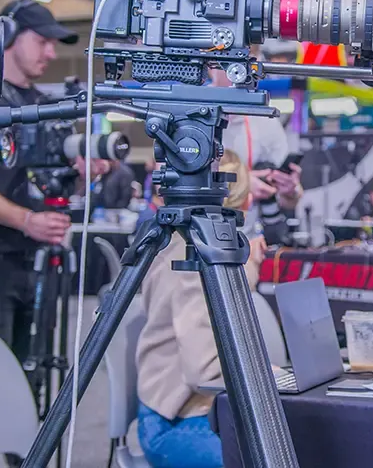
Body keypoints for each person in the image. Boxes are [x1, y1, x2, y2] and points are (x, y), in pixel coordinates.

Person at [0, 0, 81, 362]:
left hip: (40, 260)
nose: (51, 53)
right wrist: (26, 221)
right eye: (42, 41)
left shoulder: (47, 105)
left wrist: (81, 168)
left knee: (35, 370)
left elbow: (55, 175)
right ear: (9, 36)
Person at [135, 150, 264, 468]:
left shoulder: (183, 244)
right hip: (178, 421)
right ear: (244, 204)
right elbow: (203, 371)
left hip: (198, 410)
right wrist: (267, 376)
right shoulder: (199, 261)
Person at [209, 67, 302, 235]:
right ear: (210, 66)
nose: (240, 72)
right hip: (198, 238)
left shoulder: (264, 118)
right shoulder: (189, 108)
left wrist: (290, 191)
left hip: (248, 240)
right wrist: (243, 183)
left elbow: (291, 200)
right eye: (229, 63)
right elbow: (164, 187)